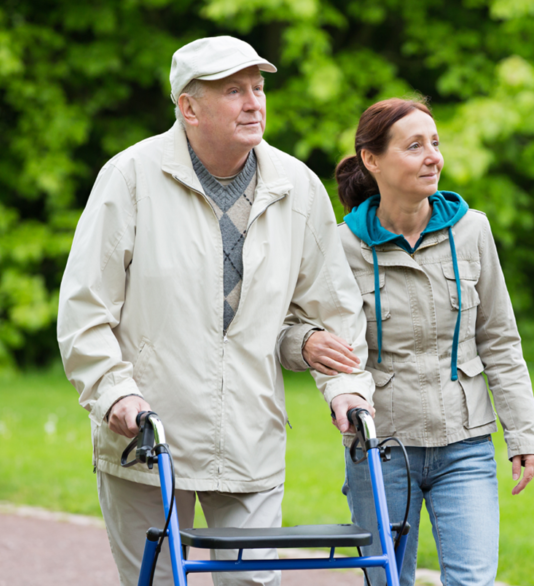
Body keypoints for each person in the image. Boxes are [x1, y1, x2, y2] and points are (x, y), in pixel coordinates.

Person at [57, 36, 373, 586]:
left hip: (249, 433)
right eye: (233, 90)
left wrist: (346, 386)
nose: (254, 102)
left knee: (252, 582)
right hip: (147, 438)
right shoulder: (129, 178)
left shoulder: (295, 185)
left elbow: (333, 306)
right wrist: (113, 391)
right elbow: (84, 308)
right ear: (188, 107)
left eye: (258, 87)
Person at [287, 98, 534, 586]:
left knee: (472, 581)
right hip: (379, 445)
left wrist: (524, 434)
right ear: (372, 159)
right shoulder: (341, 245)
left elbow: (501, 341)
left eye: (435, 143)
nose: (433, 156)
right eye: (414, 146)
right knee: (386, 581)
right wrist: (306, 344)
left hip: (464, 446)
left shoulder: (472, 231)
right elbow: (290, 328)